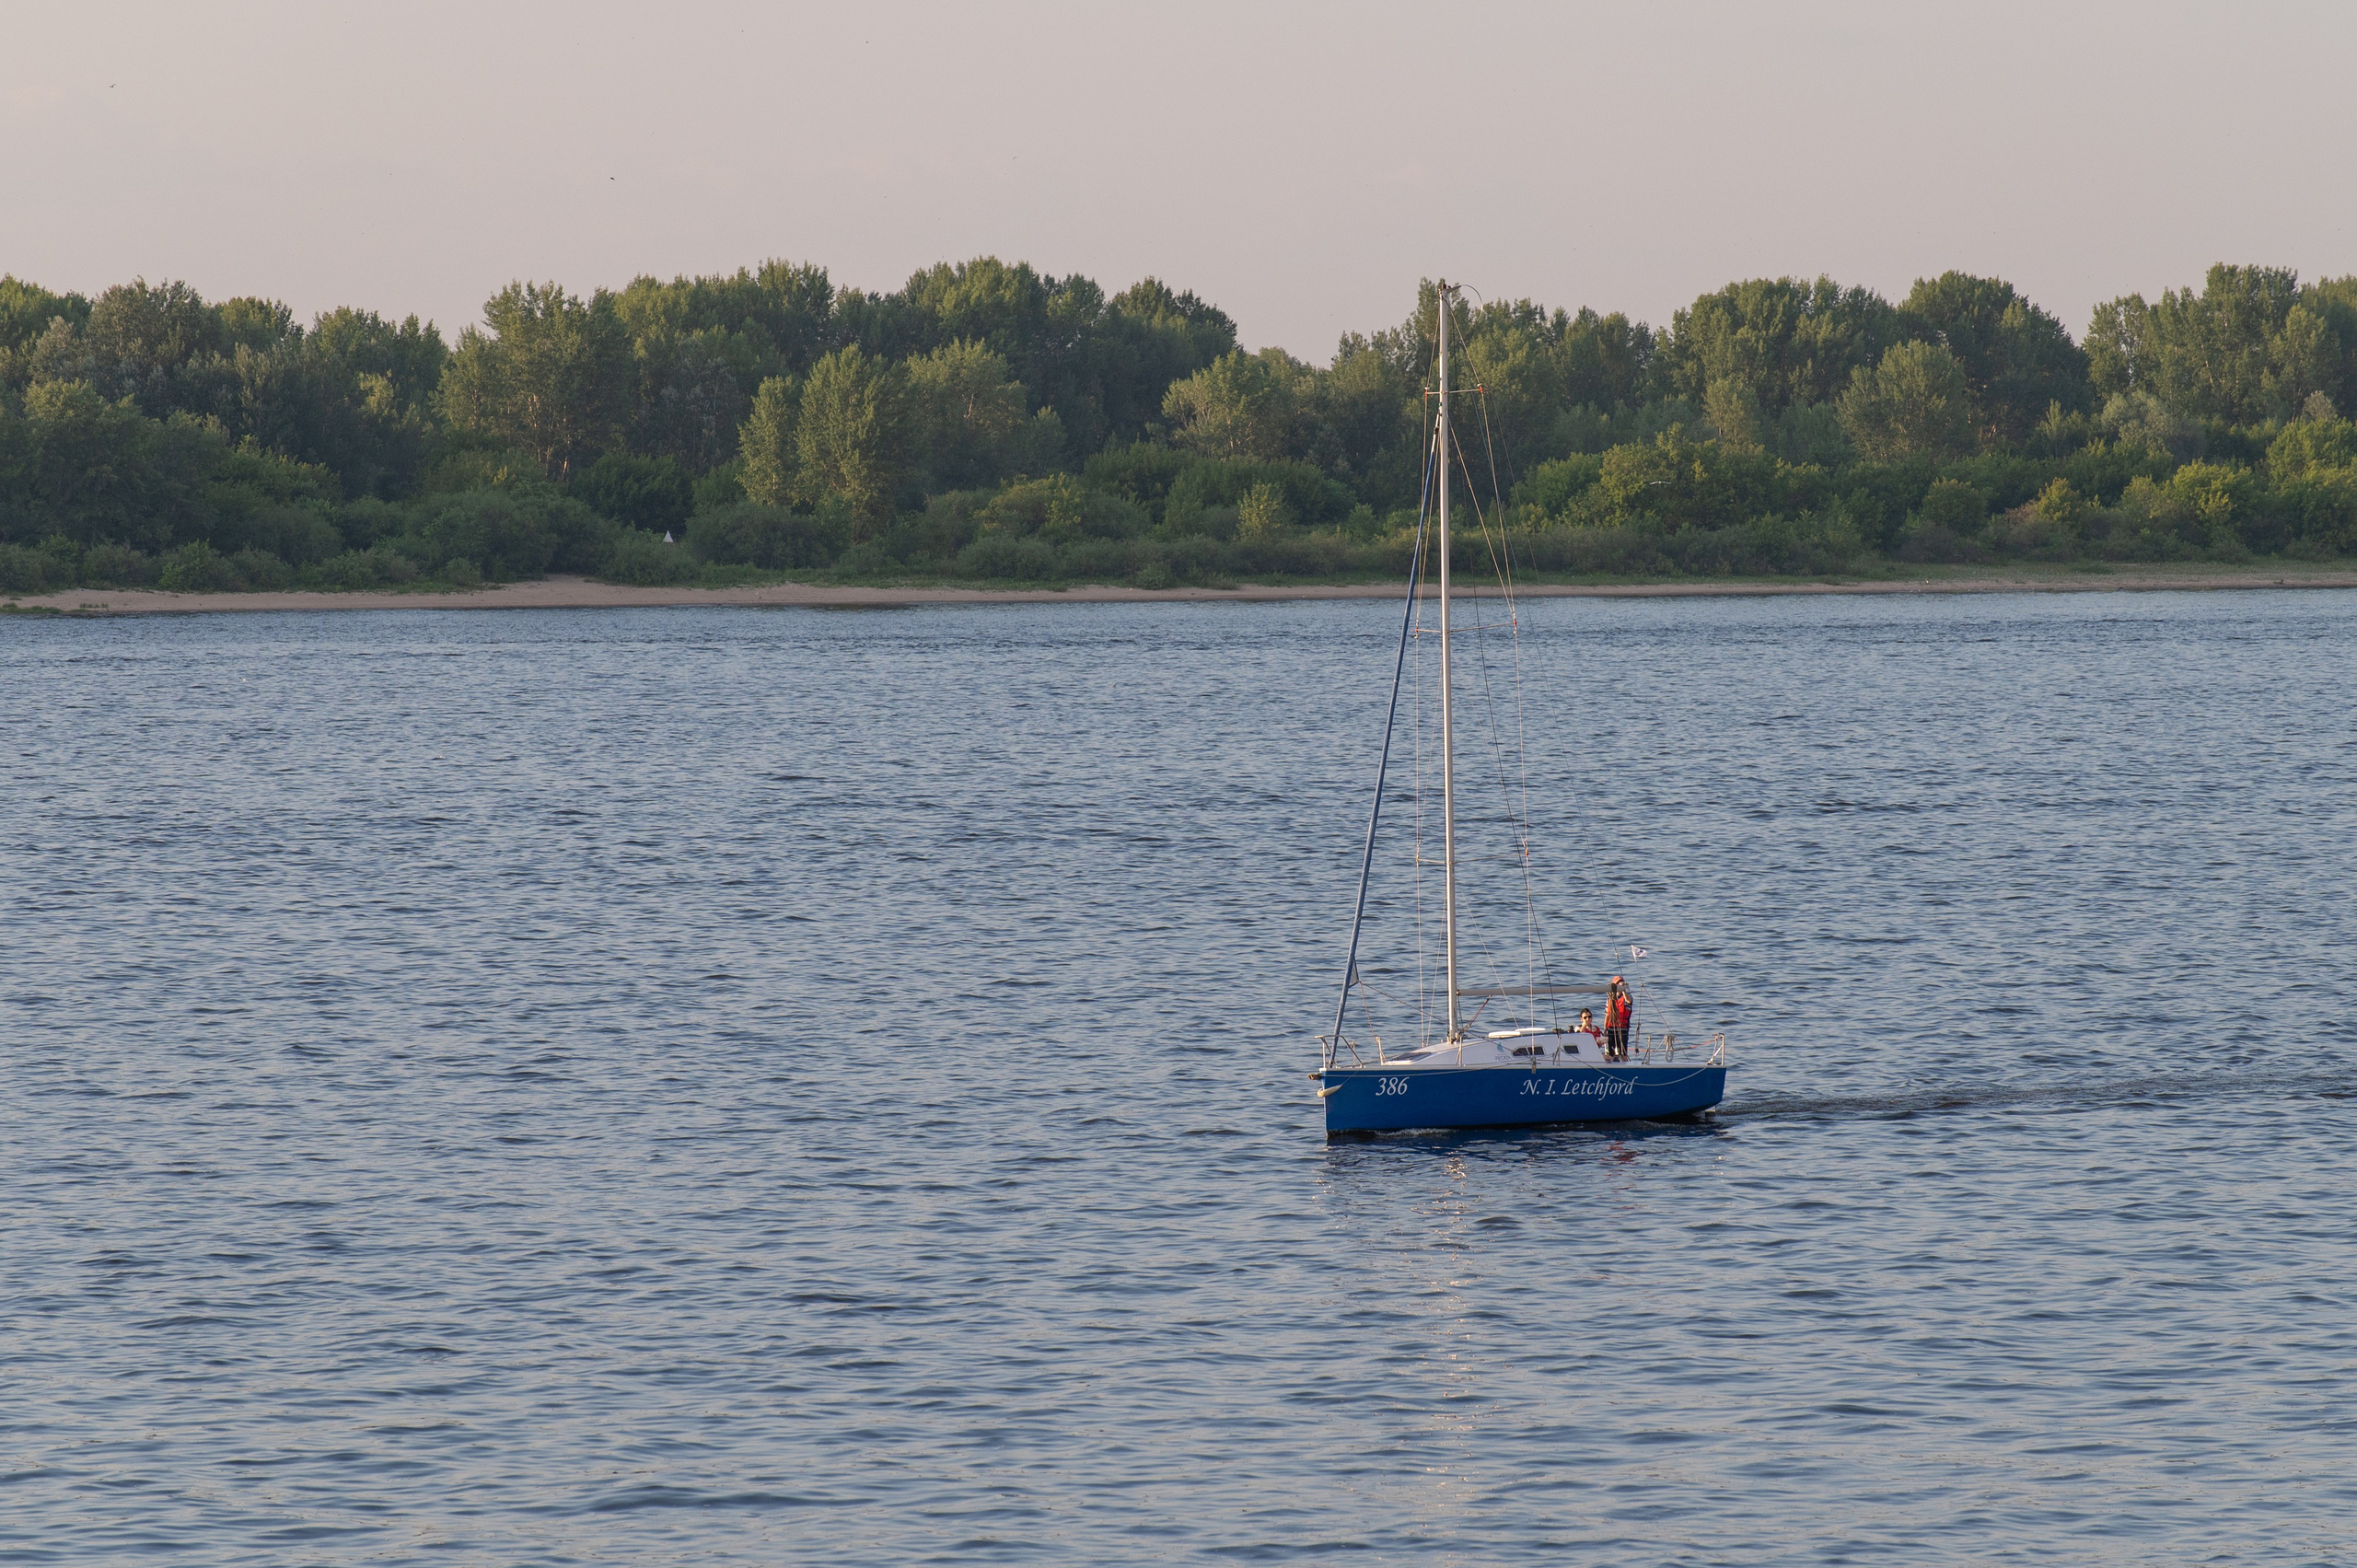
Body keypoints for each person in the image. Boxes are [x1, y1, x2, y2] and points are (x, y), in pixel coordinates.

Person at [1604, 978, 1632, 1062]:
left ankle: (1625, 1064)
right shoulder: (1610, 999)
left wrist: (1623, 990)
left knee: (1623, 1053)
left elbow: (1628, 1001)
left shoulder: (1627, 996)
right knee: (1611, 1053)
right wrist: (1605, 1029)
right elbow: (1607, 1015)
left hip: (1622, 1029)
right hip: (1611, 1029)